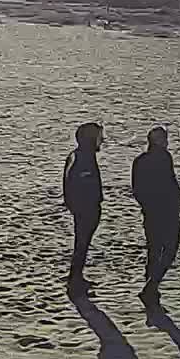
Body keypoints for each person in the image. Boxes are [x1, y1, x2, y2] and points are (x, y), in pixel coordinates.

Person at [131, 126, 180, 300]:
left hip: (155, 210)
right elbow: (168, 181)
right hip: (162, 210)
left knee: (154, 250)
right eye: (163, 139)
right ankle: (151, 286)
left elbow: (138, 189)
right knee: (168, 249)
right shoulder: (159, 158)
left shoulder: (144, 160)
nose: (166, 142)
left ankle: (151, 285)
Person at [61, 122, 105, 293]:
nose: (101, 141)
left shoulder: (82, 155)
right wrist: (78, 205)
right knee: (82, 244)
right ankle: (75, 278)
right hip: (85, 208)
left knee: (83, 244)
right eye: (98, 138)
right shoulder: (81, 158)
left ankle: (77, 276)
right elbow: (73, 183)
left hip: (86, 207)